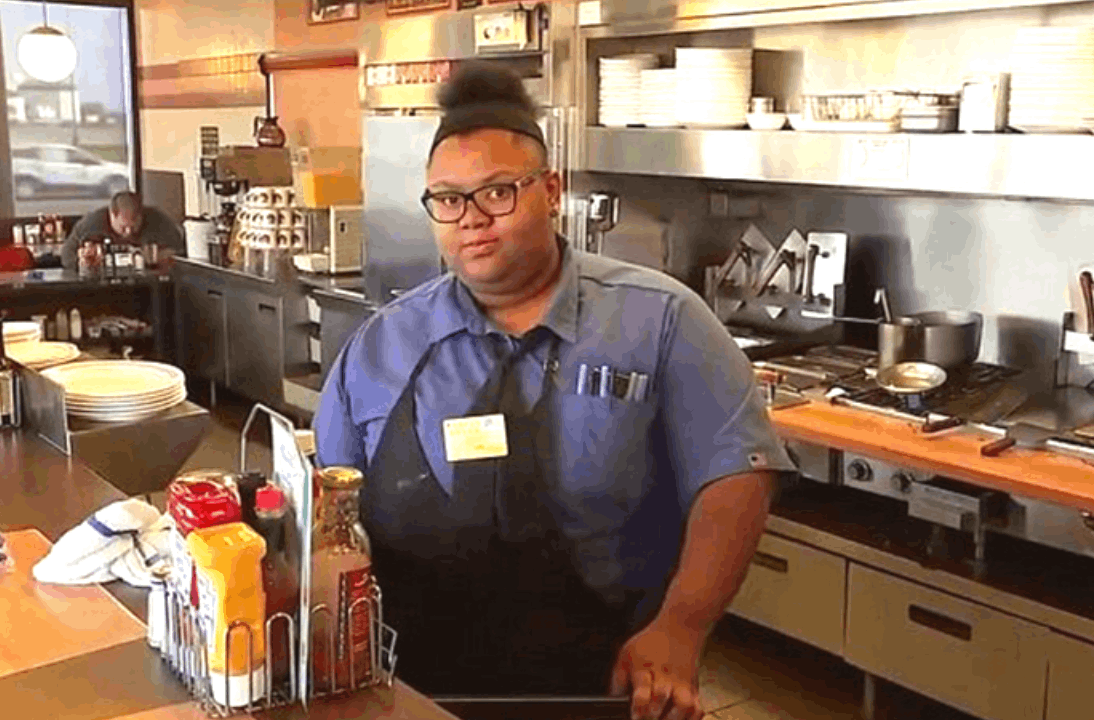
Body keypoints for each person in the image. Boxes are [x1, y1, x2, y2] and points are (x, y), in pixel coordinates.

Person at [313, 64, 792, 720]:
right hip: (415, 683)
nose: (472, 220)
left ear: (552, 191)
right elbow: (330, 507)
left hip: (606, 680)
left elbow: (737, 473)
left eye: (498, 193)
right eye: (448, 200)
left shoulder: (659, 321)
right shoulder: (383, 344)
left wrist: (681, 627)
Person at [61, 191, 185, 271]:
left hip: (149, 282)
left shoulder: (158, 220)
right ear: (112, 215)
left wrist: (163, 257)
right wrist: (83, 263)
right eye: (123, 227)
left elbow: (181, 251)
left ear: (142, 215)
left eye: (134, 226)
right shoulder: (90, 224)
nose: (129, 232)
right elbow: (66, 256)